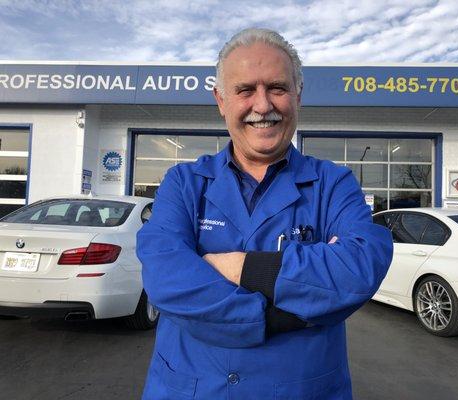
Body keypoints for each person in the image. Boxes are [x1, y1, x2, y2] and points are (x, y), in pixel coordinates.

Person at [137, 28, 393, 400]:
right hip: (191, 390)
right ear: (221, 100)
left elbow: (360, 267)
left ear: (298, 96)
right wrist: (277, 314)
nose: (262, 106)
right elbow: (166, 277)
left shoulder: (333, 183)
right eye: (245, 90)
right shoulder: (184, 182)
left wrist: (245, 269)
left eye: (277, 88)